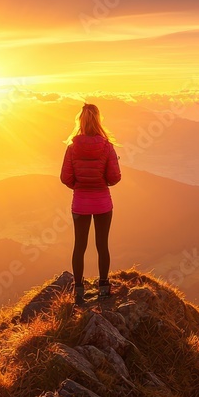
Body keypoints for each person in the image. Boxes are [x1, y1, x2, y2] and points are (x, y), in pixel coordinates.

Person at [60, 103, 122, 304]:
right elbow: (114, 177)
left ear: (81, 121)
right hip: (103, 203)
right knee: (102, 245)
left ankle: (78, 291)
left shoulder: (71, 148)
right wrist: (103, 181)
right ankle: (104, 288)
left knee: (80, 246)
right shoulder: (107, 147)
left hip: (80, 204)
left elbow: (65, 178)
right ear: (98, 120)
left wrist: (79, 186)